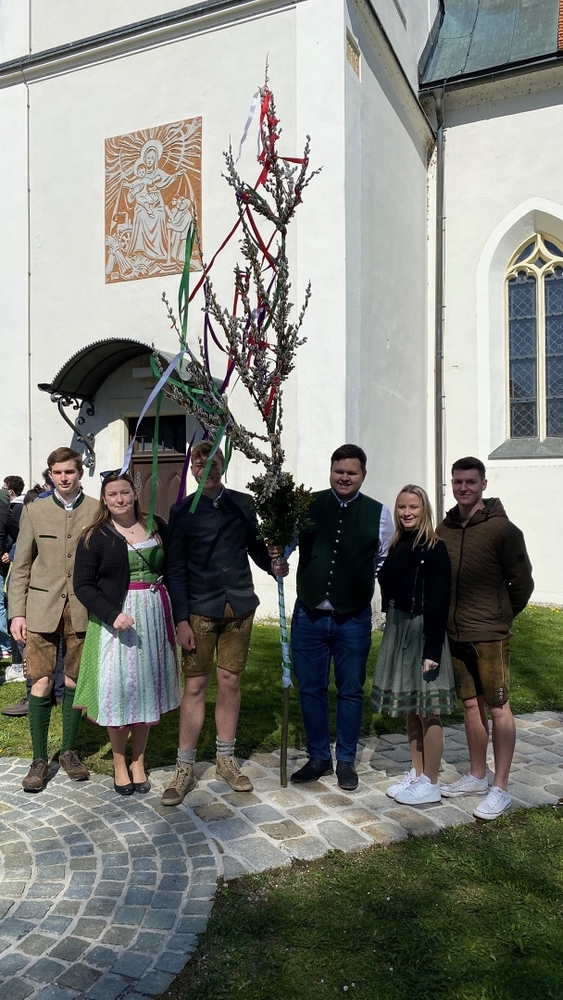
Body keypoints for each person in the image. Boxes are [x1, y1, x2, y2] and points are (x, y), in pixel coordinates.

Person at [162, 440, 276, 805]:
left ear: (221, 466)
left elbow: (256, 548)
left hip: (239, 606)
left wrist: (274, 563)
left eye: (212, 464)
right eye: (199, 465)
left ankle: (226, 759)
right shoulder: (182, 511)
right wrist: (181, 619)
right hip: (200, 610)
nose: (206, 471)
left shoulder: (242, 504)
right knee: (195, 685)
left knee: (230, 681)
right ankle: (184, 767)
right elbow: (175, 568)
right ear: (192, 470)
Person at [287, 444, 394, 791]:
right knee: (310, 688)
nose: (344, 477)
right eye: (339, 471)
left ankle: (346, 760)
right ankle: (318, 756)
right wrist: (277, 556)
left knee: (350, 690)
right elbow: (287, 545)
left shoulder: (379, 514)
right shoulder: (307, 505)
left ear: (363, 475)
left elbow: (382, 560)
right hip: (309, 614)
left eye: (351, 472)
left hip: (353, 617)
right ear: (331, 471)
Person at [436, 457, 534, 820]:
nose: (464, 488)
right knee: (470, 705)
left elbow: (522, 582)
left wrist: (500, 615)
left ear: (483, 485)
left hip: (490, 635)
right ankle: (477, 776)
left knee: (498, 707)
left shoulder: (503, 530)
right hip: (455, 632)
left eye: (471, 482)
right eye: (458, 482)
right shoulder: (444, 529)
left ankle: (500, 788)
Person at [73, 473, 180, 795]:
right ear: (104, 500)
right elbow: (83, 586)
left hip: (153, 614)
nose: (119, 499)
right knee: (118, 690)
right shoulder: (94, 536)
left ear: (135, 494)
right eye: (112, 494)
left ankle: (138, 761)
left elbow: (172, 570)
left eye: (125, 492)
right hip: (116, 619)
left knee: (146, 689)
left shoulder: (157, 526)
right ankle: (120, 763)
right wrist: (112, 615)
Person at [8, 447, 99, 792]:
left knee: (74, 680)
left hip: (82, 608)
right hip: (41, 608)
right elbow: (21, 566)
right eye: (57, 472)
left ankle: (69, 751)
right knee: (41, 681)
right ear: (49, 475)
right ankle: (38, 758)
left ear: (79, 473)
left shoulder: (96, 509)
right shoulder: (34, 511)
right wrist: (17, 612)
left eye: (69, 472)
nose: (63, 478)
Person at [371, 485, 456, 804]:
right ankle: (418, 773)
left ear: (424, 511)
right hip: (399, 627)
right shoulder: (397, 544)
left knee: (429, 710)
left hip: (423, 629)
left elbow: (440, 600)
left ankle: (431, 782)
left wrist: (432, 649)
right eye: (402, 507)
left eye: (413, 507)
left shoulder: (435, 548)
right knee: (411, 708)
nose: (407, 513)